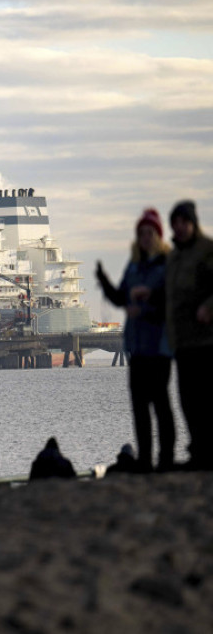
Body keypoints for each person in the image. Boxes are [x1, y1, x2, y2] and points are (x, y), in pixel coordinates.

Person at [96, 208, 175, 472]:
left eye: (149, 233)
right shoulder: (133, 266)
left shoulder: (166, 265)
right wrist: (104, 282)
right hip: (137, 347)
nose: (145, 237)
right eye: (141, 233)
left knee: (161, 405)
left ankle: (165, 459)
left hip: (159, 346)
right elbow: (121, 298)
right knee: (139, 407)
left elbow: (171, 300)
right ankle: (144, 461)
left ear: (158, 235)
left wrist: (148, 300)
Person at [165, 200, 213, 470]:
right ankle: (199, 453)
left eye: (184, 222)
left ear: (193, 223)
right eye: (175, 222)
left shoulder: (207, 251)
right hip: (182, 344)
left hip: (206, 341)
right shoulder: (173, 257)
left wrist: (209, 307)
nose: (179, 227)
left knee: (206, 399)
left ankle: (208, 453)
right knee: (188, 401)